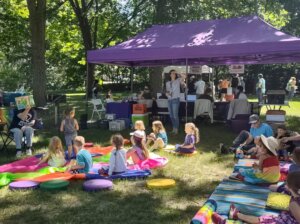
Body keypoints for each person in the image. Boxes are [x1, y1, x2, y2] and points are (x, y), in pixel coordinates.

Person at [222, 171, 300, 224]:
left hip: (284, 221)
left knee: (263, 220)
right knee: (264, 219)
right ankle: (237, 215)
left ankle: (235, 216)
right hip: (286, 217)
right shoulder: (292, 196)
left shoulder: (293, 203)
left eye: (286, 183)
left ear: (289, 186)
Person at [165, 70, 186, 134]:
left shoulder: (178, 80)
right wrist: (167, 94)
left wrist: (179, 72)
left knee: (175, 115)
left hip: (175, 99)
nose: (173, 74)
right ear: (170, 74)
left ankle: (176, 129)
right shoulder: (167, 83)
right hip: (169, 100)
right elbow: (167, 91)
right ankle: (174, 128)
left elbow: (184, 76)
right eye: (172, 73)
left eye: (174, 73)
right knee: (171, 116)